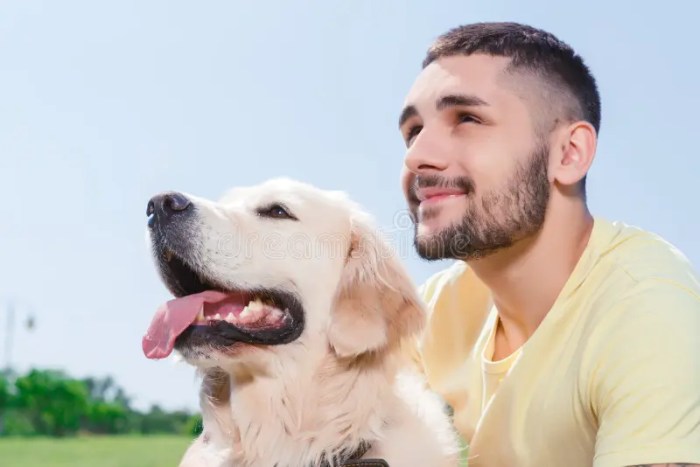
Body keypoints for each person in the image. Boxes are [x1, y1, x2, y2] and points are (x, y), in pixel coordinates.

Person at [398, 22, 700, 467]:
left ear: (569, 153)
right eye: (413, 130)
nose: (416, 156)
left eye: (467, 118)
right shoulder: (432, 313)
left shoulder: (646, 305)